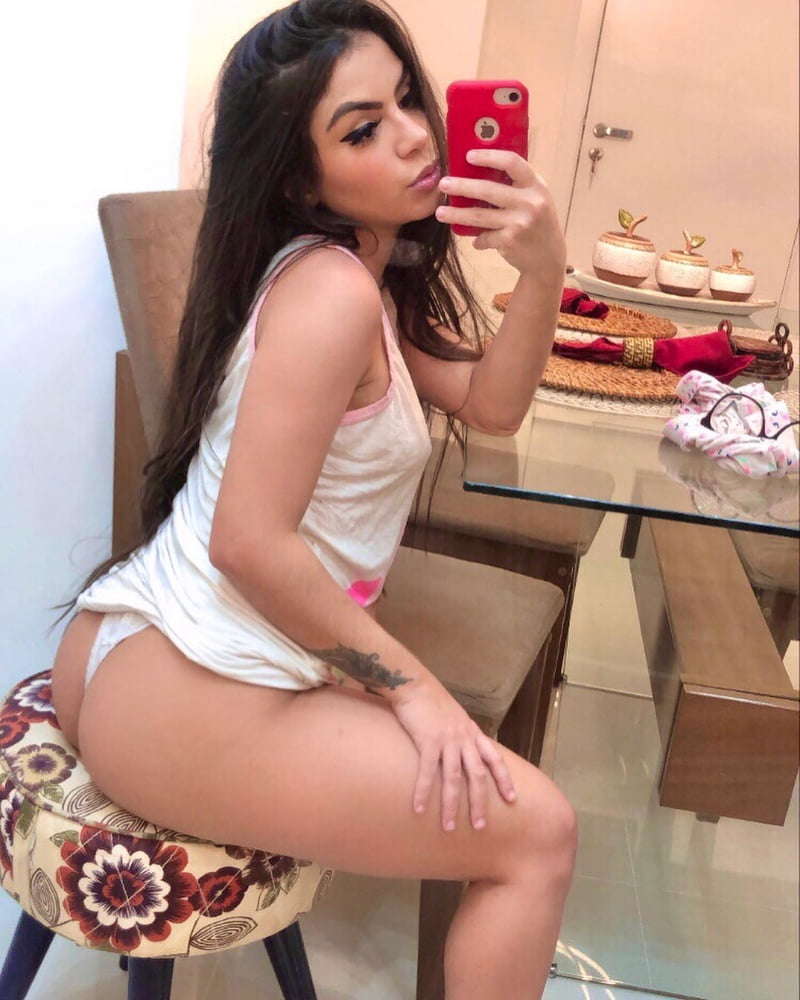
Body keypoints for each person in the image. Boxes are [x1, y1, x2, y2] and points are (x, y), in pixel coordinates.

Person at [48, 1, 575, 995]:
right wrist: (415, 692)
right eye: (362, 129)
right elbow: (248, 541)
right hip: (184, 689)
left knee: (526, 825)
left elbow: (492, 404)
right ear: (301, 178)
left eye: (407, 99)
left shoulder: (358, 275)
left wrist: (543, 266)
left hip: (154, 649)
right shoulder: (330, 291)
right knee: (538, 835)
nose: (414, 135)